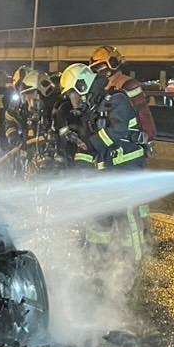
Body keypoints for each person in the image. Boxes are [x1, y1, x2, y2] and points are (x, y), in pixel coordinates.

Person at [60, 63, 153, 264]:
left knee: (128, 218)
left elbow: (116, 132)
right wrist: (77, 175)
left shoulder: (117, 100)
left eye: (73, 95)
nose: (72, 101)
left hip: (128, 169)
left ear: (83, 87)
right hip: (109, 172)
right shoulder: (92, 111)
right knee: (100, 217)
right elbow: (87, 150)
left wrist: (90, 143)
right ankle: (98, 258)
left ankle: (133, 264)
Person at [90, 45, 158, 141]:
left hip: (130, 137)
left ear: (113, 63)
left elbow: (139, 114)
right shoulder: (105, 86)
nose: (99, 71)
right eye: (96, 68)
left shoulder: (129, 85)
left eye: (101, 66)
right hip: (115, 133)